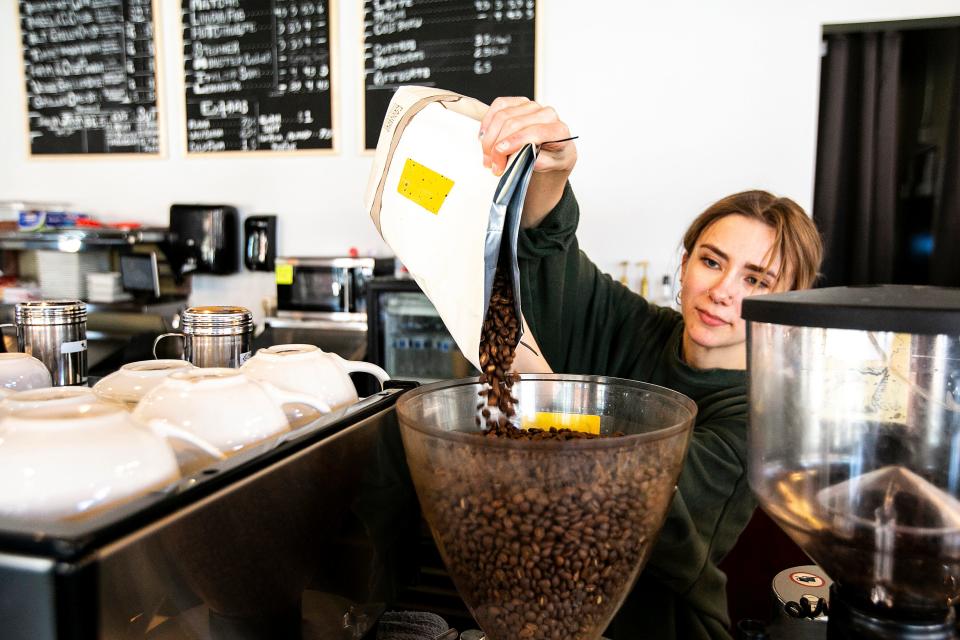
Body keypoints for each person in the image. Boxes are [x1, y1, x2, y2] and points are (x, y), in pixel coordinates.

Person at [478, 97, 824, 639]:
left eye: (757, 280)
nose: (722, 292)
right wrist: (552, 168)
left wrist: (532, 399)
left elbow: (621, 495)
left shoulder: (762, 419)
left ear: (787, 303)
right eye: (712, 261)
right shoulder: (637, 327)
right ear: (684, 266)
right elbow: (549, 249)